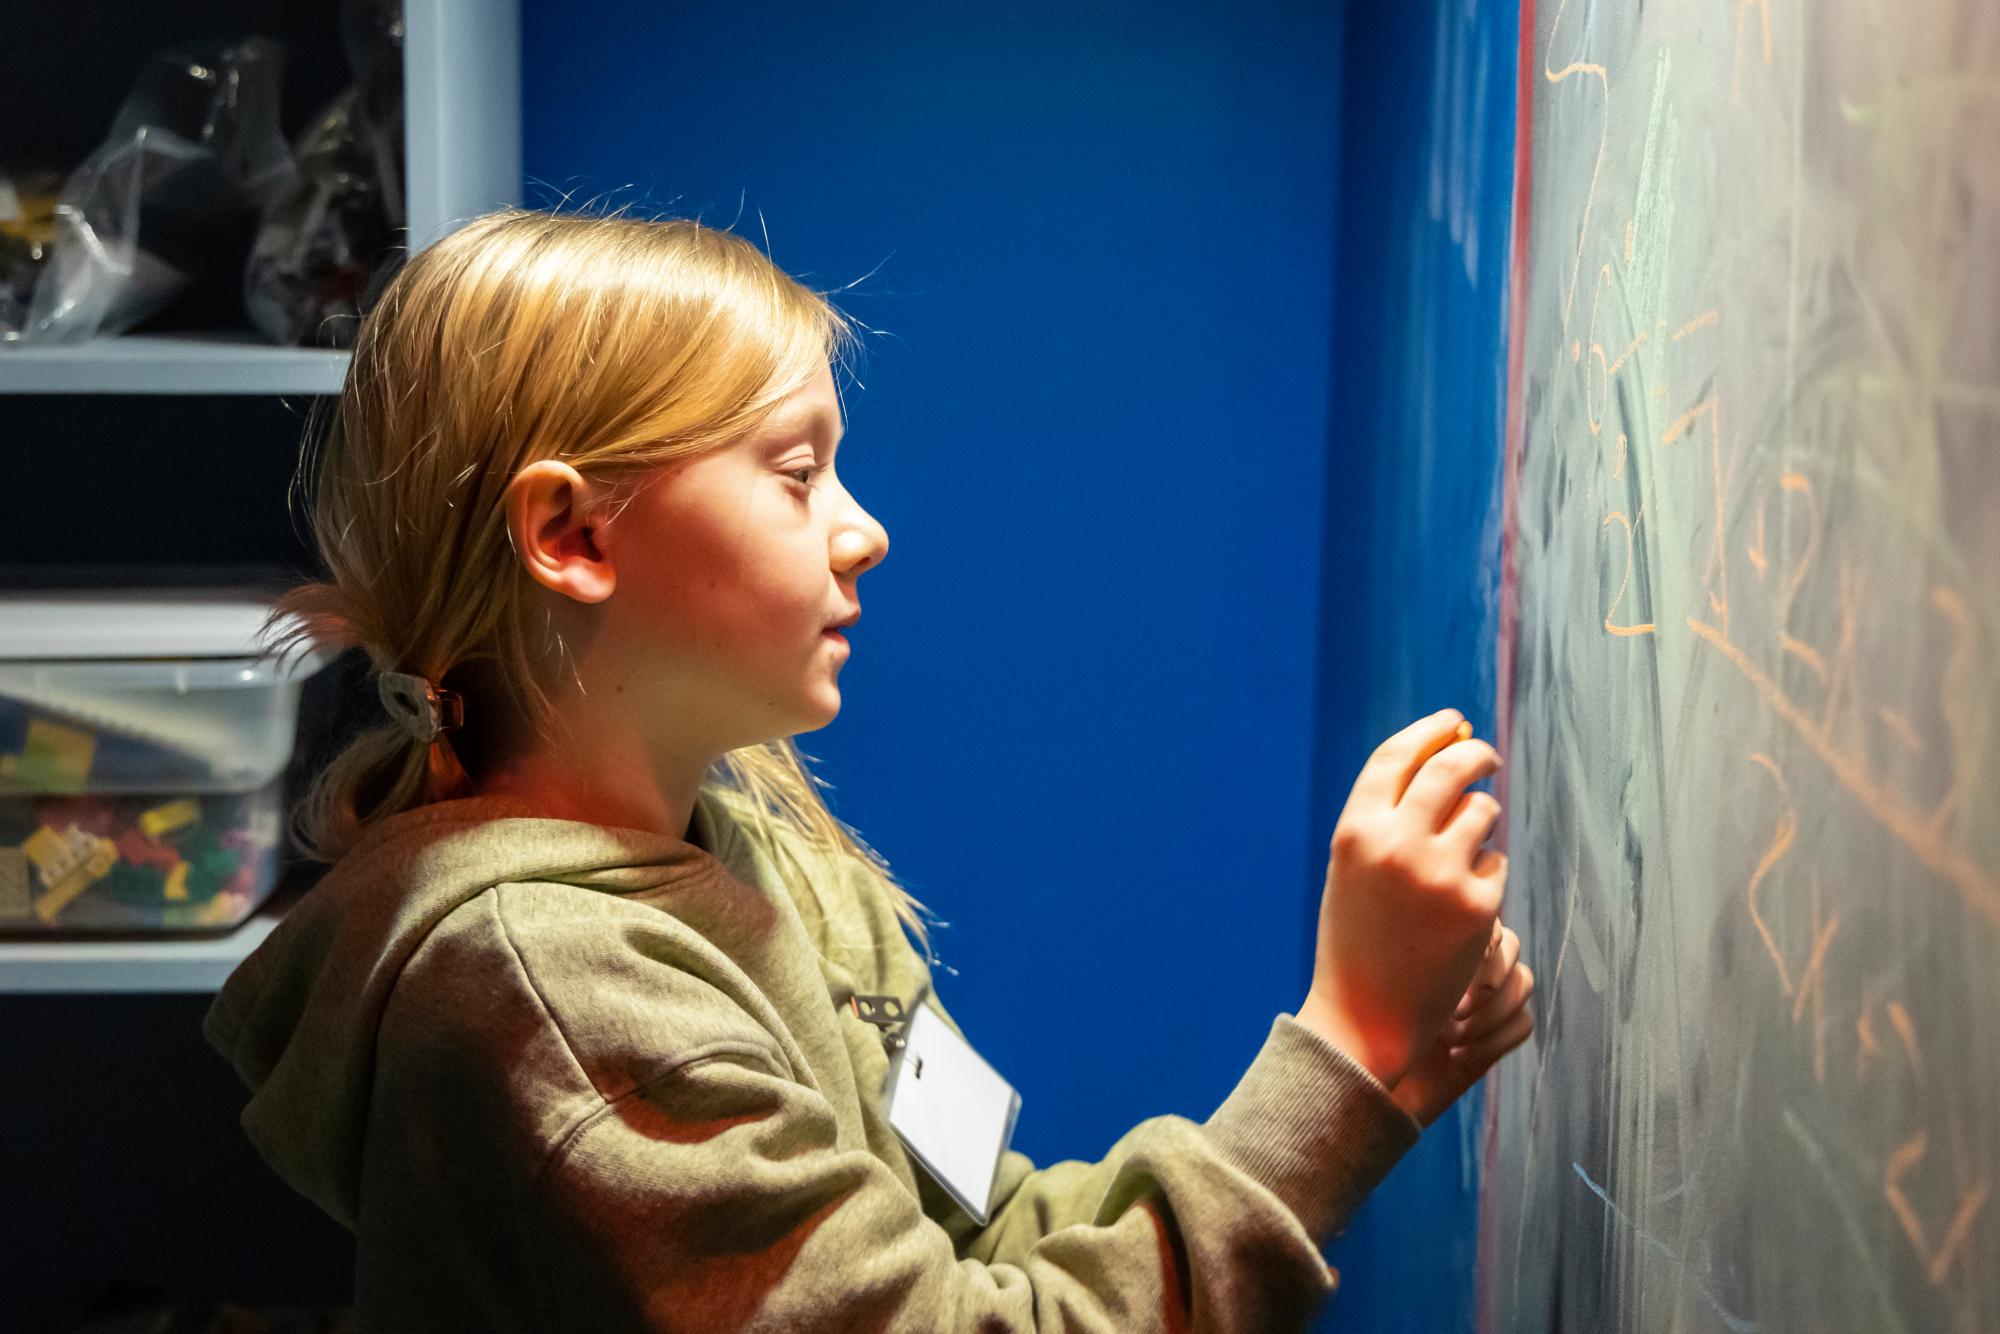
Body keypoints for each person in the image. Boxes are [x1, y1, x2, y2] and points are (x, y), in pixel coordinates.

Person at [204, 207, 1534, 1332]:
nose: (866, 532)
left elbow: (977, 1236)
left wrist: (1372, 1081)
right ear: (572, 533)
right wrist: (1346, 1035)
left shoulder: (756, 852)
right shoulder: (546, 992)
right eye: (797, 473)